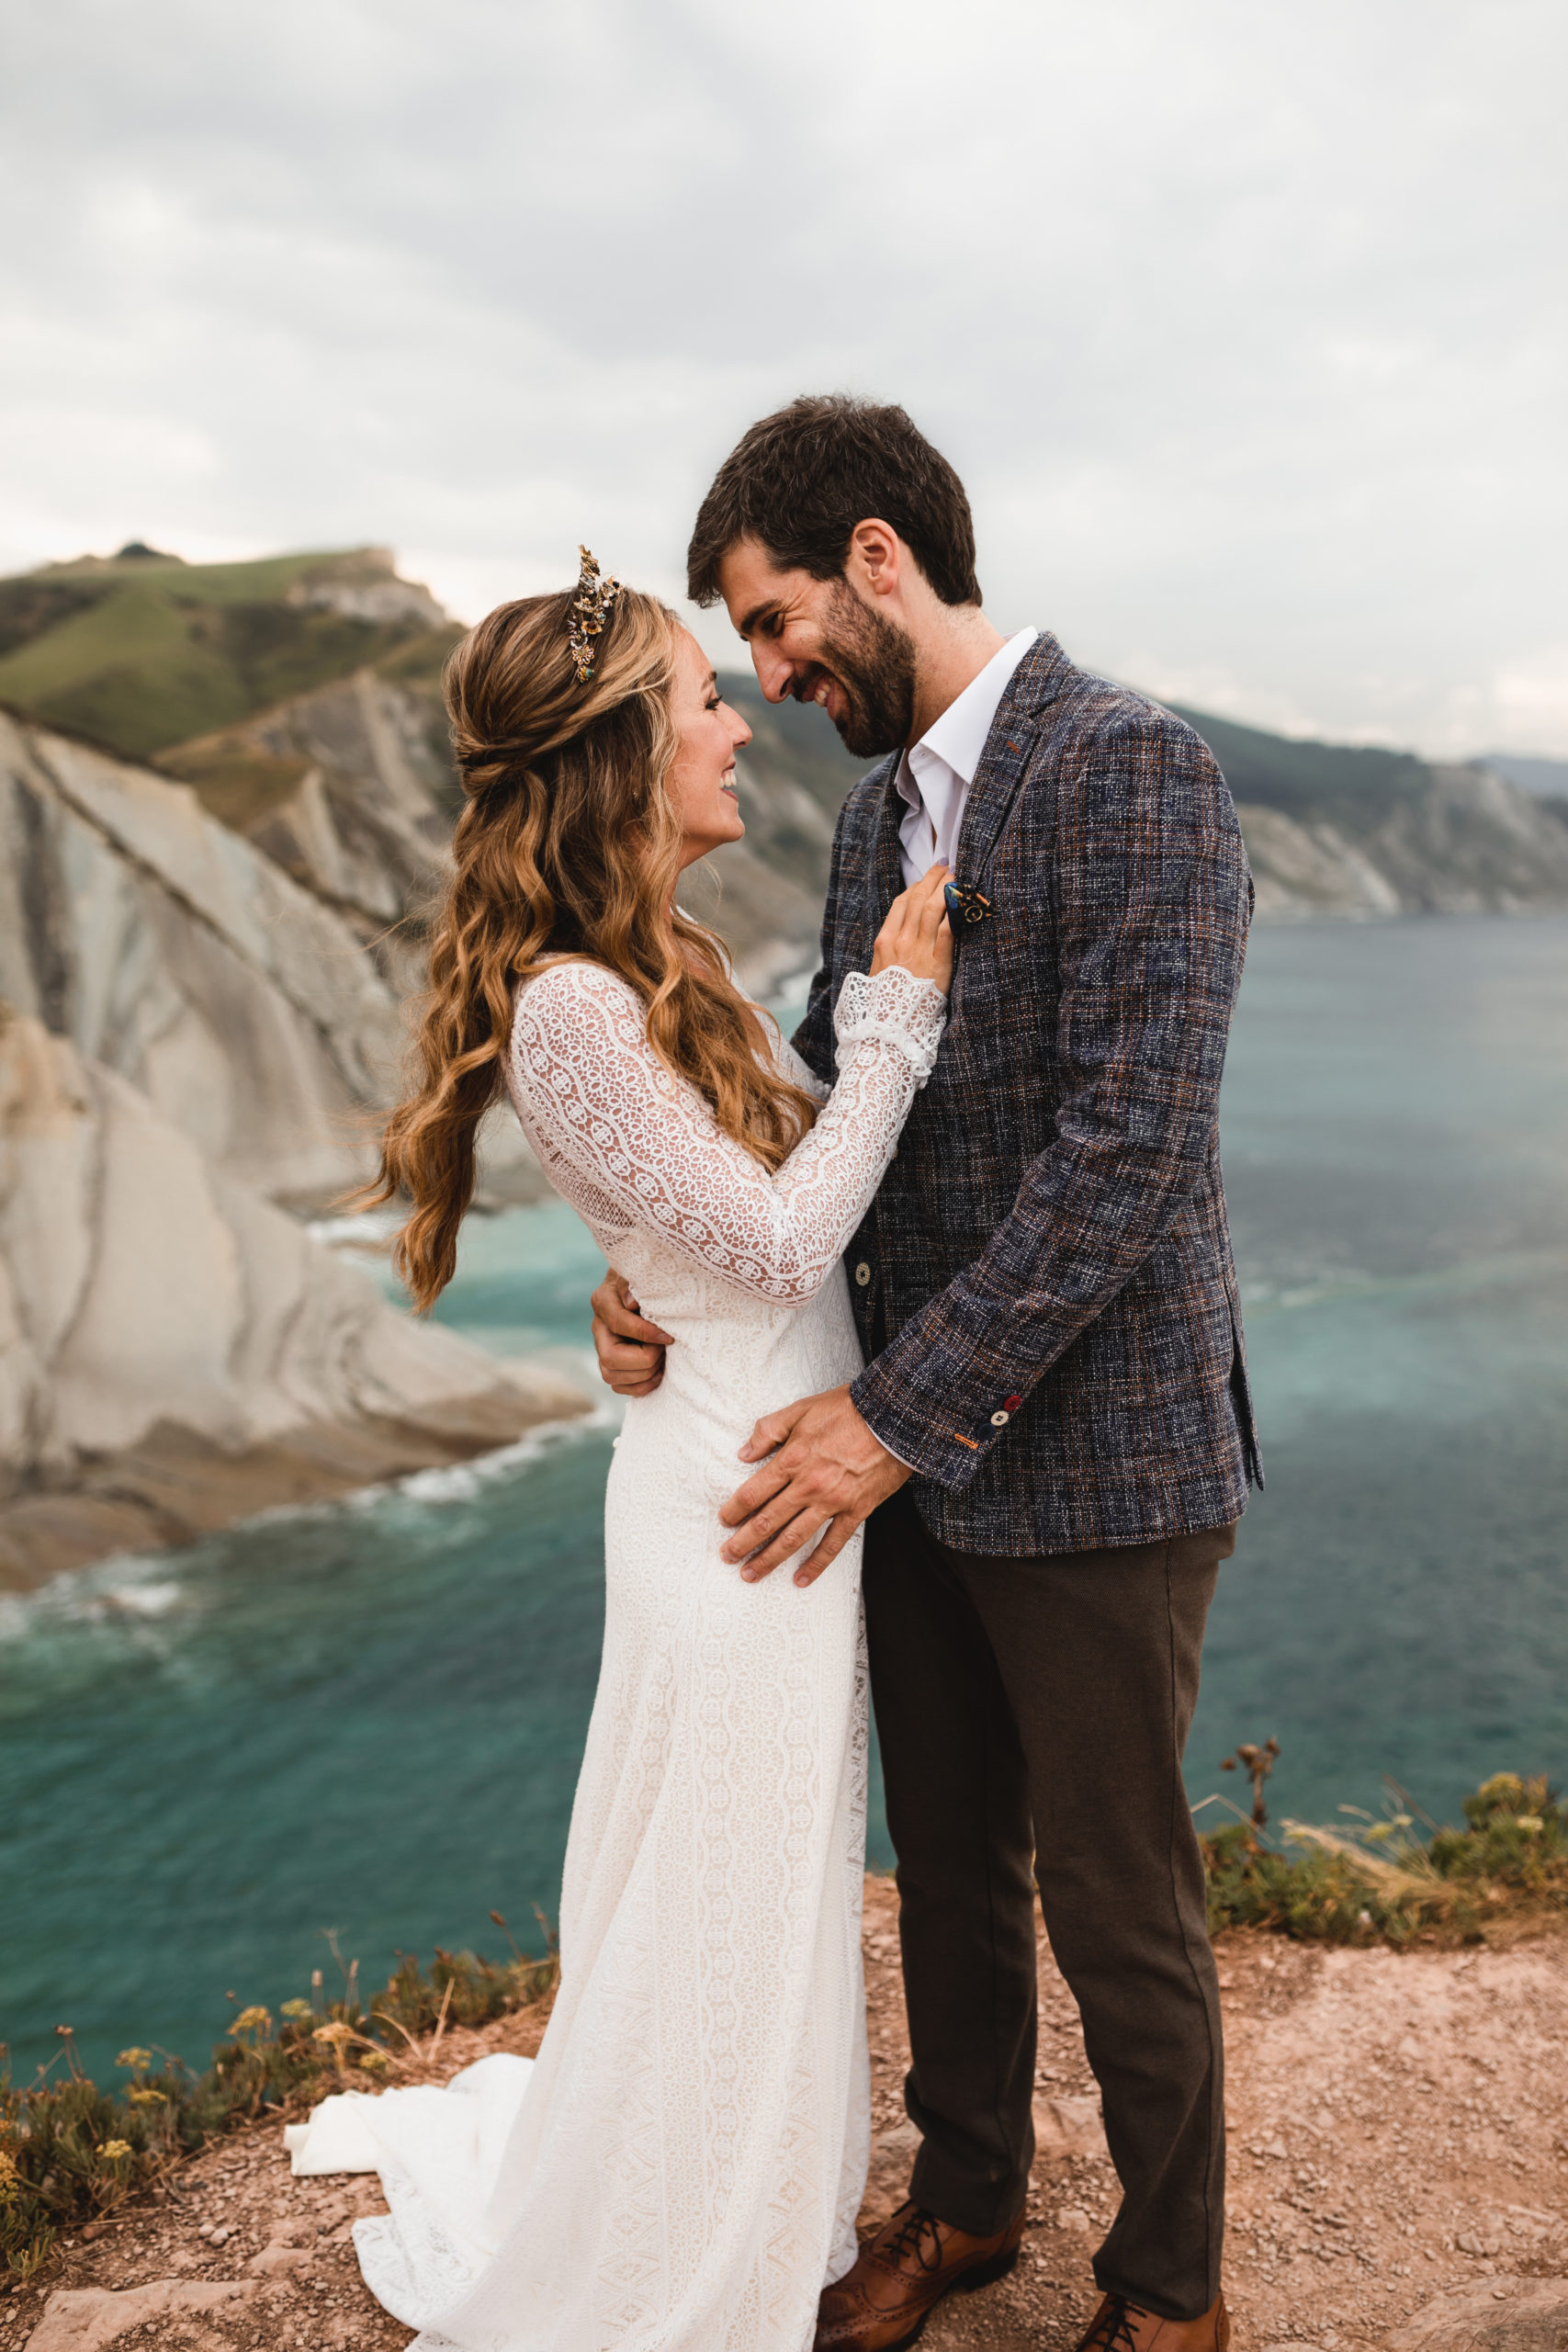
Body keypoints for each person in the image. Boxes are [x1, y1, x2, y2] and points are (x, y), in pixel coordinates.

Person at [592, 400, 1261, 2352]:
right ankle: (965, 2204)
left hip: (1101, 1456)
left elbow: (1124, 1156)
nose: (772, 670)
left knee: (1116, 1890)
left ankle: (1167, 2288)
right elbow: (813, 1110)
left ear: (876, 556)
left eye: (777, 619)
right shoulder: (878, 817)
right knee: (947, 1863)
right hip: (916, 1455)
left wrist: (889, 1416)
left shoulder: (1137, 770)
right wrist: (652, 1284)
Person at [286, 552, 955, 2352]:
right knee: (715, 1892)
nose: (737, 721)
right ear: (615, 757)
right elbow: (775, 1242)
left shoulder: (654, 964)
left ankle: (751, 2208)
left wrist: (629, 1282)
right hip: (738, 1516)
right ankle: (671, 2257)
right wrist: (891, 1022)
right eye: (698, 702)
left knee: (765, 1877)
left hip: (758, 1474)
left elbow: (696, 1229)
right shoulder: (576, 1003)